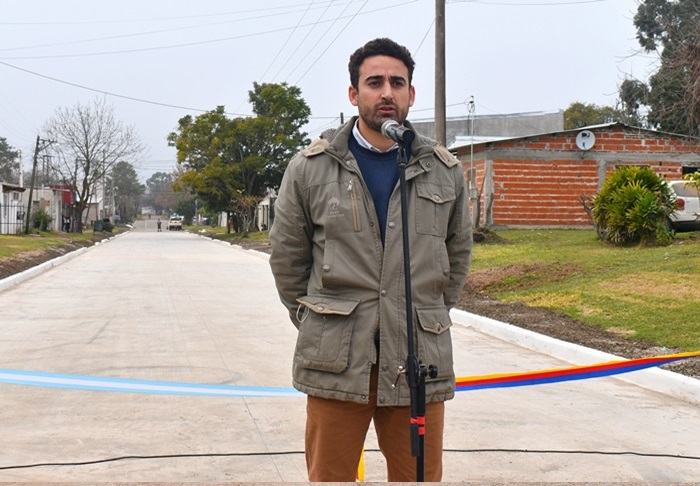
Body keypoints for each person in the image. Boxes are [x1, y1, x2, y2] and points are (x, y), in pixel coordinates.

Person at [269, 37, 472, 482]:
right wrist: (320, 320)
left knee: (418, 478)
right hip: (337, 362)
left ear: (411, 94)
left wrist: (426, 316)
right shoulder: (311, 168)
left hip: (417, 360)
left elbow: (455, 258)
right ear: (353, 93)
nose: (386, 93)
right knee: (331, 477)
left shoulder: (443, 170)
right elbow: (288, 259)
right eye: (374, 82)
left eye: (397, 83)